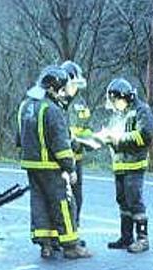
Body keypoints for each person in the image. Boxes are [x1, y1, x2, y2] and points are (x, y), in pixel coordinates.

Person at [17, 66, 92, 260]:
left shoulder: (25, 106)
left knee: (39, 203)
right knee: (64, 203)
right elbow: (61, 145)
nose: (63, 94)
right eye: (61, 89)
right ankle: (70, 246)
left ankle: (46, 245)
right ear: (53, 88)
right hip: (52, 167)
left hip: (31, 165)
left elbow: (19, 139)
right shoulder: (52, 110)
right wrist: (70, 167)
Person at [95, 78, 153, 253]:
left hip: (134, 165)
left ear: (124, 96)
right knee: (122, 201)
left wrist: (119, 140)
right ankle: (126, 237)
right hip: (120, 165)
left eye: (115, 101)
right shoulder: (120, 113)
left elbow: (146, 135)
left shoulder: (141, 110)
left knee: (134, 201)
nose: (114, 105)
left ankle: (143, 239)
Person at [61, 60, 93, 227]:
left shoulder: (80, 103)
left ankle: (74, 227)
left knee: (76, 195)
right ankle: (61, 233)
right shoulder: (56, 102)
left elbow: (87, 128)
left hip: (76, 157)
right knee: (60, 197)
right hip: (59, 158)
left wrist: (87, 140)